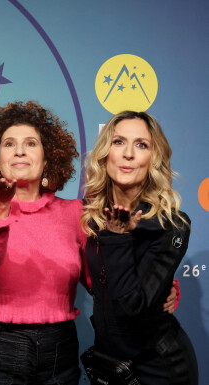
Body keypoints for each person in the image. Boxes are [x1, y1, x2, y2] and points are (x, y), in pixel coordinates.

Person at [0, 100, 87, 384]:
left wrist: (159, 286)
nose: (20, 149)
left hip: (60, 350)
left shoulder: (76, 214)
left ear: (48, 160)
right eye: (9, 144)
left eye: (31, 143)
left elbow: (103, 283)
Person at [81, 110, 198, 384]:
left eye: (141, 144)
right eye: (119, 142)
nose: (129, 154)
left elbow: (134, 305)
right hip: (109, 364)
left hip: (160, 366)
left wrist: (118, 238)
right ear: (105, 152)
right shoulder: (91, 215)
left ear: (153, 159)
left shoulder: (172, 224)